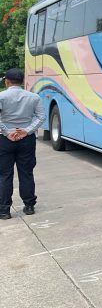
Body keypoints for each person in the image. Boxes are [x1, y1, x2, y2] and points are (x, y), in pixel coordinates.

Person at [0, 68, 45, 220]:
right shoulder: (34, 97)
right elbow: (41, 117)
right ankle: (29, 205)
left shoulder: (1, 96)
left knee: (5, 174)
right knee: (26, 172)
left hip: (5, 140)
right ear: (22, 81)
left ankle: (4, 210)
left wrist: (7, 132)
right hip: (26, 139)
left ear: (7, 81)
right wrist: (27, 130)